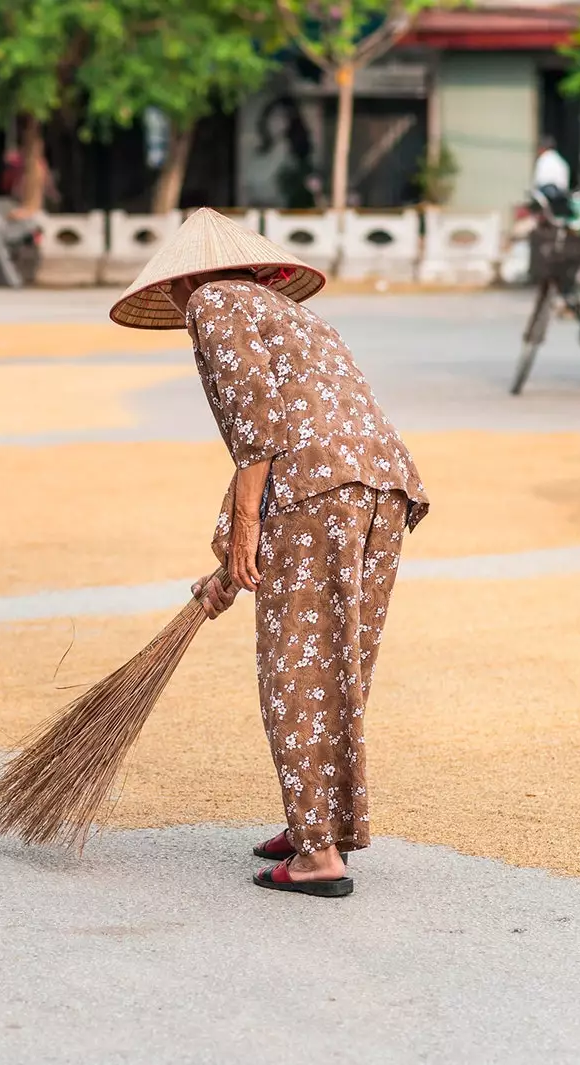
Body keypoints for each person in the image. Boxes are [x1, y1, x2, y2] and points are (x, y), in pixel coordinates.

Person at [108, 209, 430, 898]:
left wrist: (249, 523)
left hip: (316, 491)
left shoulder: (211, 302)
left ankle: (318, 855)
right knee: (335, 661)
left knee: (295, 664)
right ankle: (316, 823)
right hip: (383, 486)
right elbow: (292, 427)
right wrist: (234, 552)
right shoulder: (283, 311)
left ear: (183, 278)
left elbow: (258, 422)